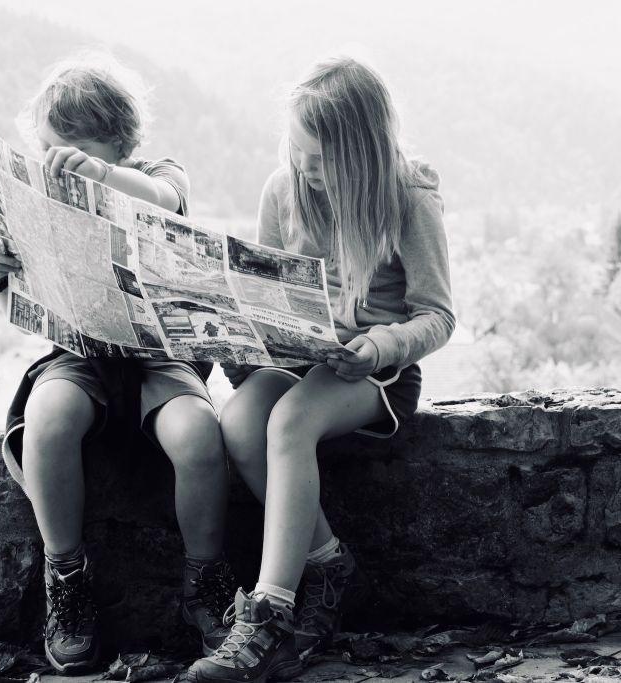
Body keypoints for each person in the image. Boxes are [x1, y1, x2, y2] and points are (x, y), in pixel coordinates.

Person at [181, 57, 455, 683]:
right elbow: (266, 292)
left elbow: (437, 316)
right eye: (299, 149)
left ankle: (268, 616)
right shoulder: (284, 189)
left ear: (363, 151)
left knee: (291, 420)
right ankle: (328, 564)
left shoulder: (409, 197)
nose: (307, 166)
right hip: (302, 359)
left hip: (376, 373)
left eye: (324, 157)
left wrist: (376, 348)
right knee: (242, 421)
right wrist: (236, 331)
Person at [0, 56, 233, 673]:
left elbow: (164, 198)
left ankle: (205, 581)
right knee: (47, 419)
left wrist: (101, 176)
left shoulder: (155, 172)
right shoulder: (41, 189)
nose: (61, 160)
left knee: (198, 437)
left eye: (79, 147)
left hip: (159, 357)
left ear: (120, 138)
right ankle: (66, 576)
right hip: (82, 354)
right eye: (49, 148)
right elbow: (16, 265)